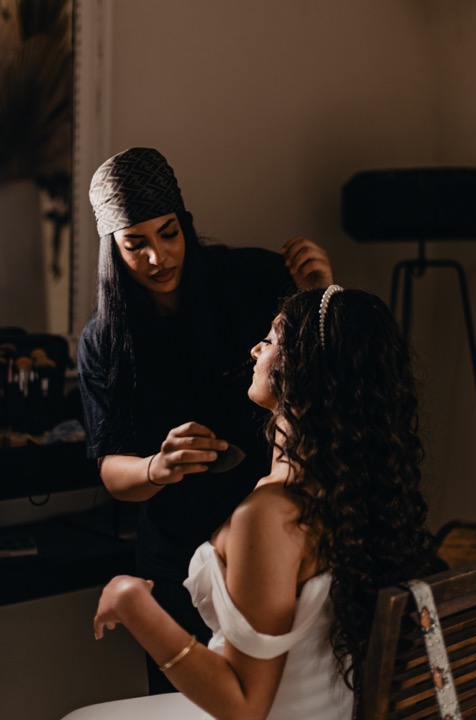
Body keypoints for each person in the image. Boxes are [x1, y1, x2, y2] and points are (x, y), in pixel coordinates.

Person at [91, 286, 438, 720]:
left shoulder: (272, 515)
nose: (256, 349)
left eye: (271, 339)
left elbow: (244, 707)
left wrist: (133, 604)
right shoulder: (351, 489)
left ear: (304, 369)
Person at [76, 147, 333, 693]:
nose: (158, 257)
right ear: (112, 249)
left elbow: (325, 382)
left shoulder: (252, 278)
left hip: (273, 539)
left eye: (168, 233)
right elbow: (111, 468)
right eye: (135, 244)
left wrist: (320, 299)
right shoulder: (103, 341)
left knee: (279, 696)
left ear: (185, 223)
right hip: (178, 557)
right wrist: (155, 468)